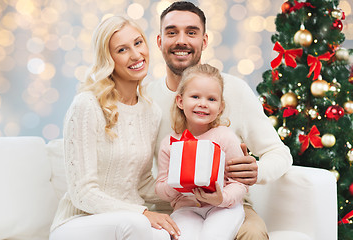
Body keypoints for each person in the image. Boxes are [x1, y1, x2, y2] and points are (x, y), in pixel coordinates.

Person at [146, 1, 293, 239]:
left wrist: (256, 171)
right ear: (160, 41)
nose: (181, 40)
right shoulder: (145, 98)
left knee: (253, 234)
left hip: (228, 202)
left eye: (191, 32)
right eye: (172, 32)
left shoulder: (234, 90)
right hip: (170, 206)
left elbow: (280, 154)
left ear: (204, 41)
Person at [49, 16, 180, 240]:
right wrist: (143, 213)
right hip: (78, 223)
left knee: (166, 234)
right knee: (138, 224)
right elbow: (83, 193)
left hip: (128, 221)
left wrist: (187, 192)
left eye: (138, 43)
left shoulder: (151, 111)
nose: (136, 55)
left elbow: (142, 183)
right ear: (108, 58)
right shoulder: (87, 105)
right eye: (122, 50)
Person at [155, 64, 248, 240]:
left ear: (221, 107)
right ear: (180, 101)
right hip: (186, 208)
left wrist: (222, 198)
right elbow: (160, 187)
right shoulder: (170, 143)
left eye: (211, 99)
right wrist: (176, 182)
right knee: (183, 236)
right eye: (195, 96)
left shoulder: (225, 137)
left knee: (213, 236)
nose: (203, 104)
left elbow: (240, 183)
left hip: (223, 207)